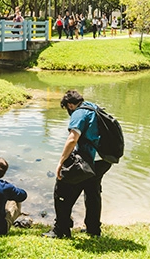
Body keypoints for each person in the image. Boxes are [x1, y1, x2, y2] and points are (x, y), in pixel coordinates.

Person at [43, 90, 112, 239]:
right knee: (92, 192)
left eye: (67, 108)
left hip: (89, 161)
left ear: (70, 105)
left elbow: (72, 139)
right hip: (104, 160)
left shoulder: (79, 113)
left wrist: (60, 163)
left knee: (61, 190)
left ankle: (61, 230)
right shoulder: (94, 107)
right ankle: (93, 230)